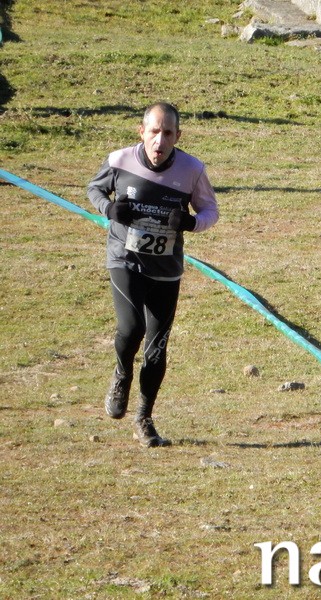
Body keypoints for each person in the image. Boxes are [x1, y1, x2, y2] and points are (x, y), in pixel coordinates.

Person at [87, 102, 219, 447]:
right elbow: (94, 189)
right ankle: (122, 374)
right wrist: (109, 208)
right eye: (154, 132)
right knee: (132, 328)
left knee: (156, 348)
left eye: (168, 133)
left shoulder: (192, 169)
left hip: (166, 269)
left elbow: (210, 210)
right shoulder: (120, 160)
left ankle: (144, 418)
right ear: (141, 132)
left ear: (178, 136)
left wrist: (191, 222)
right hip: (125, 259)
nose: (160, 141)